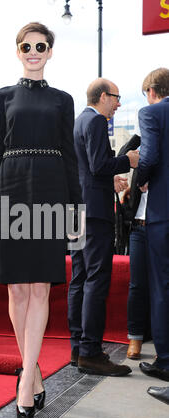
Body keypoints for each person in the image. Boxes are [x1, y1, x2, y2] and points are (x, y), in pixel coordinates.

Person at [0, 22, 82, 418]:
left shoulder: (63, 99)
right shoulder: (2, 96)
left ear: (50, 51)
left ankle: (24, 382)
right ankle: (35, 371)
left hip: (51, 191)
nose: (34, 51)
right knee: (16, 289)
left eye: (41, 46)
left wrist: (75, 208)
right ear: (18, 51)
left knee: (40, 287)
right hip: (10, 190)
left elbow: (71, 157)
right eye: (27, 45)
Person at [67, 78, 139, 376]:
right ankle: (91, 352)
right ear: (102, 97)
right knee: (96, 278)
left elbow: (85, 170)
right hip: (96, 213)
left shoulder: (77, 123)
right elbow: (98, 164)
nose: (119, 103)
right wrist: (128, 160)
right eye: (116, 97)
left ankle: (77, 347)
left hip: (77, 210)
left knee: (80, 278)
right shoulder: (96, 122)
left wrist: (109, 180)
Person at [137, 68, 169, 382]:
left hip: (163, 212)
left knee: (162, 287)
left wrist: (140, 182)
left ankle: (166, 361)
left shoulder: (151, 113)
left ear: (151, 90)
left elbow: (149, 157)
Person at [121, 171, 151, 359]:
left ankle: (162, 342)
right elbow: (125, 150)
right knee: (137, 284)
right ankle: (135, 337)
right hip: (138, 227)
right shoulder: (142, 150)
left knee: (162, 286)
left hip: (162, 225)